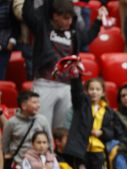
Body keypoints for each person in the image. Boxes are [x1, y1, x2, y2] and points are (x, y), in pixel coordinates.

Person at [22, 0, 108, 128]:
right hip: (45, 84)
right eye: (66, 18)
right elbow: (27, 14)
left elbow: (87, 37)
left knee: (62, 130)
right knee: (41, 128)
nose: (69, 22)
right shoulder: (43, 28)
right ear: (55, 16)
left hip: (67, 87)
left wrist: (99, 20)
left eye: (71, 19)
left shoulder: (73, 33)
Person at [63, 77, 114, 169]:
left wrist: (102, 132)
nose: (94, 92)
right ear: (86, 91)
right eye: (91, 89)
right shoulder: (81, 105)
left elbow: (112, 131)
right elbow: (76, 91)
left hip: (98, 151)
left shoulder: (108, 111)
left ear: (103, 93)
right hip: (82, 151)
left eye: (98, 89)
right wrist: (75, 78)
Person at [3, 91, 52, 167]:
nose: (38, 105)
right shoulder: (11, 122)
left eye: (38, 102)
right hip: (19, 164)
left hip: (39, 165)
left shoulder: (43, 120)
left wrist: (50, 161)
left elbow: (49, 141)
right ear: (24, 106)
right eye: (34, 102)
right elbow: (5, 144)